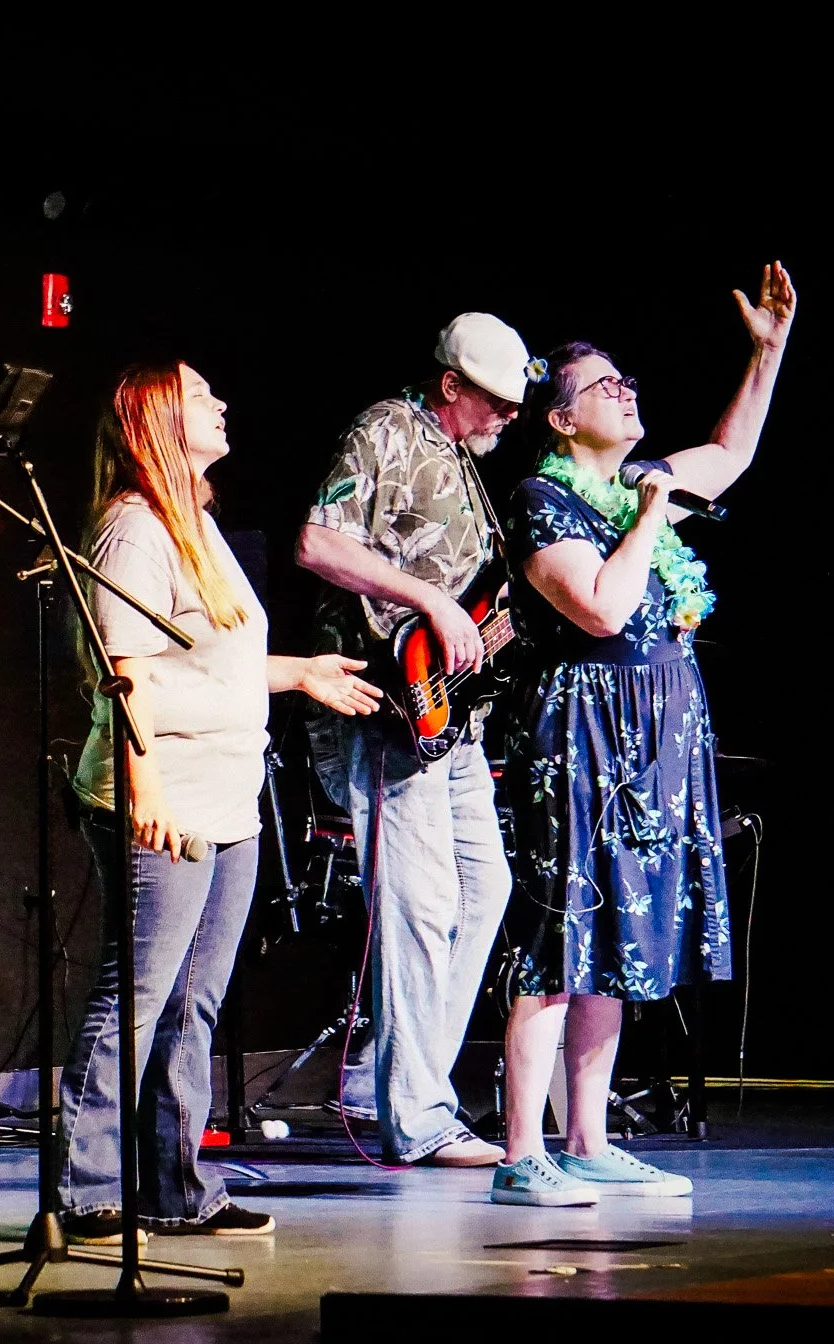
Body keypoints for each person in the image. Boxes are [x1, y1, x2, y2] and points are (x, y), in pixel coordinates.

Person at [493, 263, 797, 1206]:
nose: (626, 391)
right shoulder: (546, 503)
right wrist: (654, 508)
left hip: (657, 731)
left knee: (619, 931)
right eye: (601, 384)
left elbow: (731, 452)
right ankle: (521, 1153)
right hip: (582, 728)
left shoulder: (638, 480)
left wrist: (768, 352)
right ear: (558, 418)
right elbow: (599, 606)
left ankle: (587, 1140)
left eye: (627, 379)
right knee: (558, 935)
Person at [60, 361, 381, 1243]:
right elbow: (119, 677)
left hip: (228, 804)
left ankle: (175, 1186)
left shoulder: (191, 520)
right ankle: (86, 1189)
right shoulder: (131, 532)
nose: (224, 403)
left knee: (193, 1004)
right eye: (204, 396)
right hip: (165, 801)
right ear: (161, 420)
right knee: (137, 996)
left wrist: (301, 674)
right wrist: (147, 787)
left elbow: (216, 664)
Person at [294, 314, 538, 1168]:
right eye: (498, 402)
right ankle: (417, 1113)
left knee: (485, 888)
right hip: (386, 709)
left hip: (450, 717)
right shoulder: (385, 430)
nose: (512, 416)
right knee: (421, 902)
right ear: (450, 386)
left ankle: (385, 1079)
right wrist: (431, 604)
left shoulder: (467, 464)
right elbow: (319, 542)